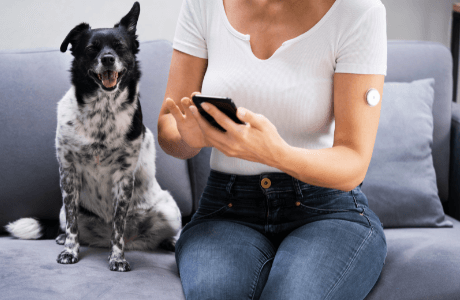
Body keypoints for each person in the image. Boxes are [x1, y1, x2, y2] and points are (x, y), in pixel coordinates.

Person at [157, 0, 388, 298]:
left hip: (327, 211)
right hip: (226, 209)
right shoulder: (203, 5)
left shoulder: (359, 11)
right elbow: (169, 124)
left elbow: (354, 162)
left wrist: (274, 153)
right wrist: (192, 138)